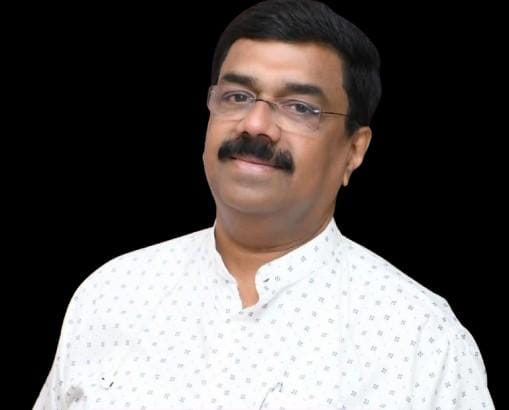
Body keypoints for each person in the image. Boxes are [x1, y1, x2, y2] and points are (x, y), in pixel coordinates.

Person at [34, 0, 494, 409]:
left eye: (300, 107)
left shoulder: (418, 337)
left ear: (354, 150)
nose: (255, 124)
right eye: (237, 97)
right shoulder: (112, 293)